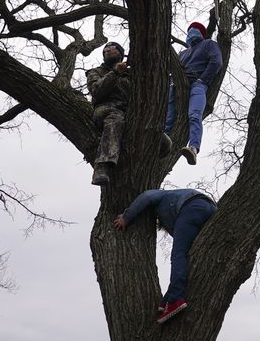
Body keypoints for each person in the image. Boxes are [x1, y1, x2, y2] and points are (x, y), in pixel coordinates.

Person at [114, 187, 217, 322]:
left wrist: (126, 217)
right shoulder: (175, 207)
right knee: (186, 256)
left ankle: (175, 300)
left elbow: (146, 196)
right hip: (211, 209)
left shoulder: (162, 194)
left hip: (192, 207)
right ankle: (168, 299)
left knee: (178, 255)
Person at [162, 22, 223, 165]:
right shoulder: (182, 53)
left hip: (197, 84)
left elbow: (216, 62)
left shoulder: (209, 44)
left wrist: (203, 79)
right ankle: (162, 144)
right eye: (189, 30)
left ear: (202, 33)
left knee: (195, 115)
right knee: (168, 118)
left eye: (195, 30)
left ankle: (193, 148)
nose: (191, 33)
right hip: (176, 87)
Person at [86, 41, 131, 186]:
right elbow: (96, 91)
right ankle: (101, 167)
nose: (108, 50)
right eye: (105, 49)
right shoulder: (96, 72)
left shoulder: (131, 74)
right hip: (106, 109)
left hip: (130, 113)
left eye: (112, 49)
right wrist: (115, 73)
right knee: (115, 119)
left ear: (121, 54)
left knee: (164, 143)